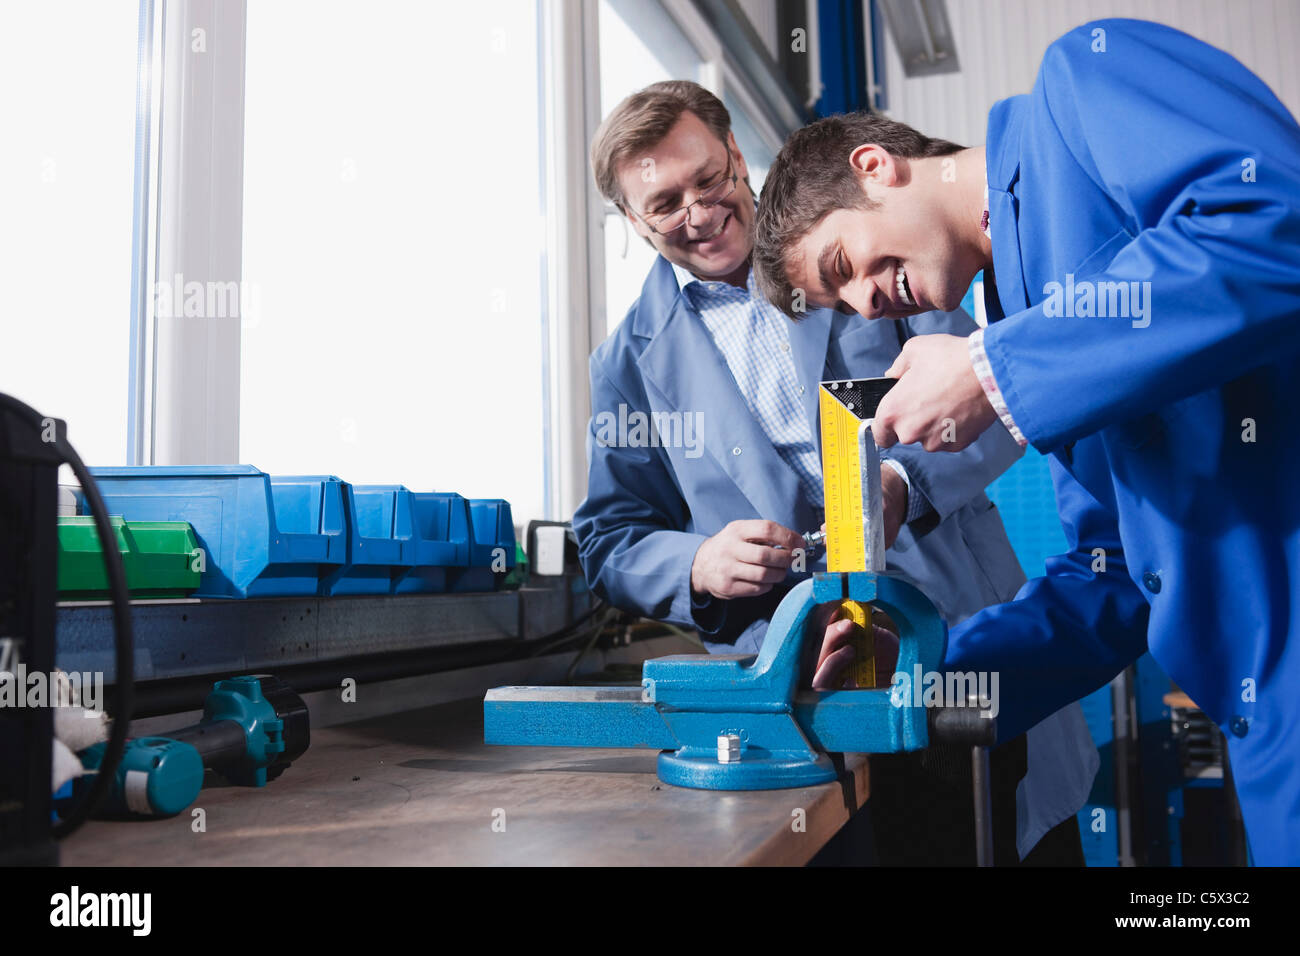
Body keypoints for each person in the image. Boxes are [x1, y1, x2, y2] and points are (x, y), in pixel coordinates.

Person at [753, 18, 1300, 864]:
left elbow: (1273, 220)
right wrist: (925, 668)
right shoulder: (1018, 314)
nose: (864, 305)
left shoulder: (1080, 85)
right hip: (1268, 725)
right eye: (840, 304)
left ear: (875, 166)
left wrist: (996, 372)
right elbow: (1114, 579)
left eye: (842, 267)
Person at [573, 79, 1099, 864]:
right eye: (665, 203)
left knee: (1016, 829)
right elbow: (609, 537)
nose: (698, 211)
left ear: (738, 157)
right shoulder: (625, 365)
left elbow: (993, 401)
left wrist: (905, 484)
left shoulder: (861, 239)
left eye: (709, 179)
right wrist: (700, 563)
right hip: (800, 677)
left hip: (958, 620)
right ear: (632, 221)